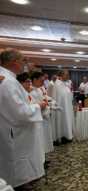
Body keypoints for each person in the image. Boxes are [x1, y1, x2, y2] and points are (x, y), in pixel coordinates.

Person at [0, 49, 46, 187]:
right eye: (22, 61)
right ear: (14, 62)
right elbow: (20, 111)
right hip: (14, 130)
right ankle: (17, 183)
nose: (24, 64)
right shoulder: (7, 81)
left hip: (10, 127)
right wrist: (38, 106)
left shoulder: (8, 78)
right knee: (15, 160)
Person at [30, 71, 54, 153]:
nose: (43, 83)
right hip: (38, 118)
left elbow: (44, 98)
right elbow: (31, 105)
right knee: (40, 140)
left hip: (45, 116)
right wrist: (41, 105)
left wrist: (50, 102)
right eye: (41, 81)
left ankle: (44, 156)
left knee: (45, 139)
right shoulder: (30, 91)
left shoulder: (39, 89)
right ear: (34, 80)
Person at [52, 70, 74, 143]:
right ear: (61, 75)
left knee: (67, 121)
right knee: (61, 122)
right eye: (66, 74)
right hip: (61, 108)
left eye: (68, 74)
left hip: (68, 107)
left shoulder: (67, 84)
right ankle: (61, 136)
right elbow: (55, 97)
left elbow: (69, 95)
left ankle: (67, 135)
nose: (68, 76)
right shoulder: (57, 84)